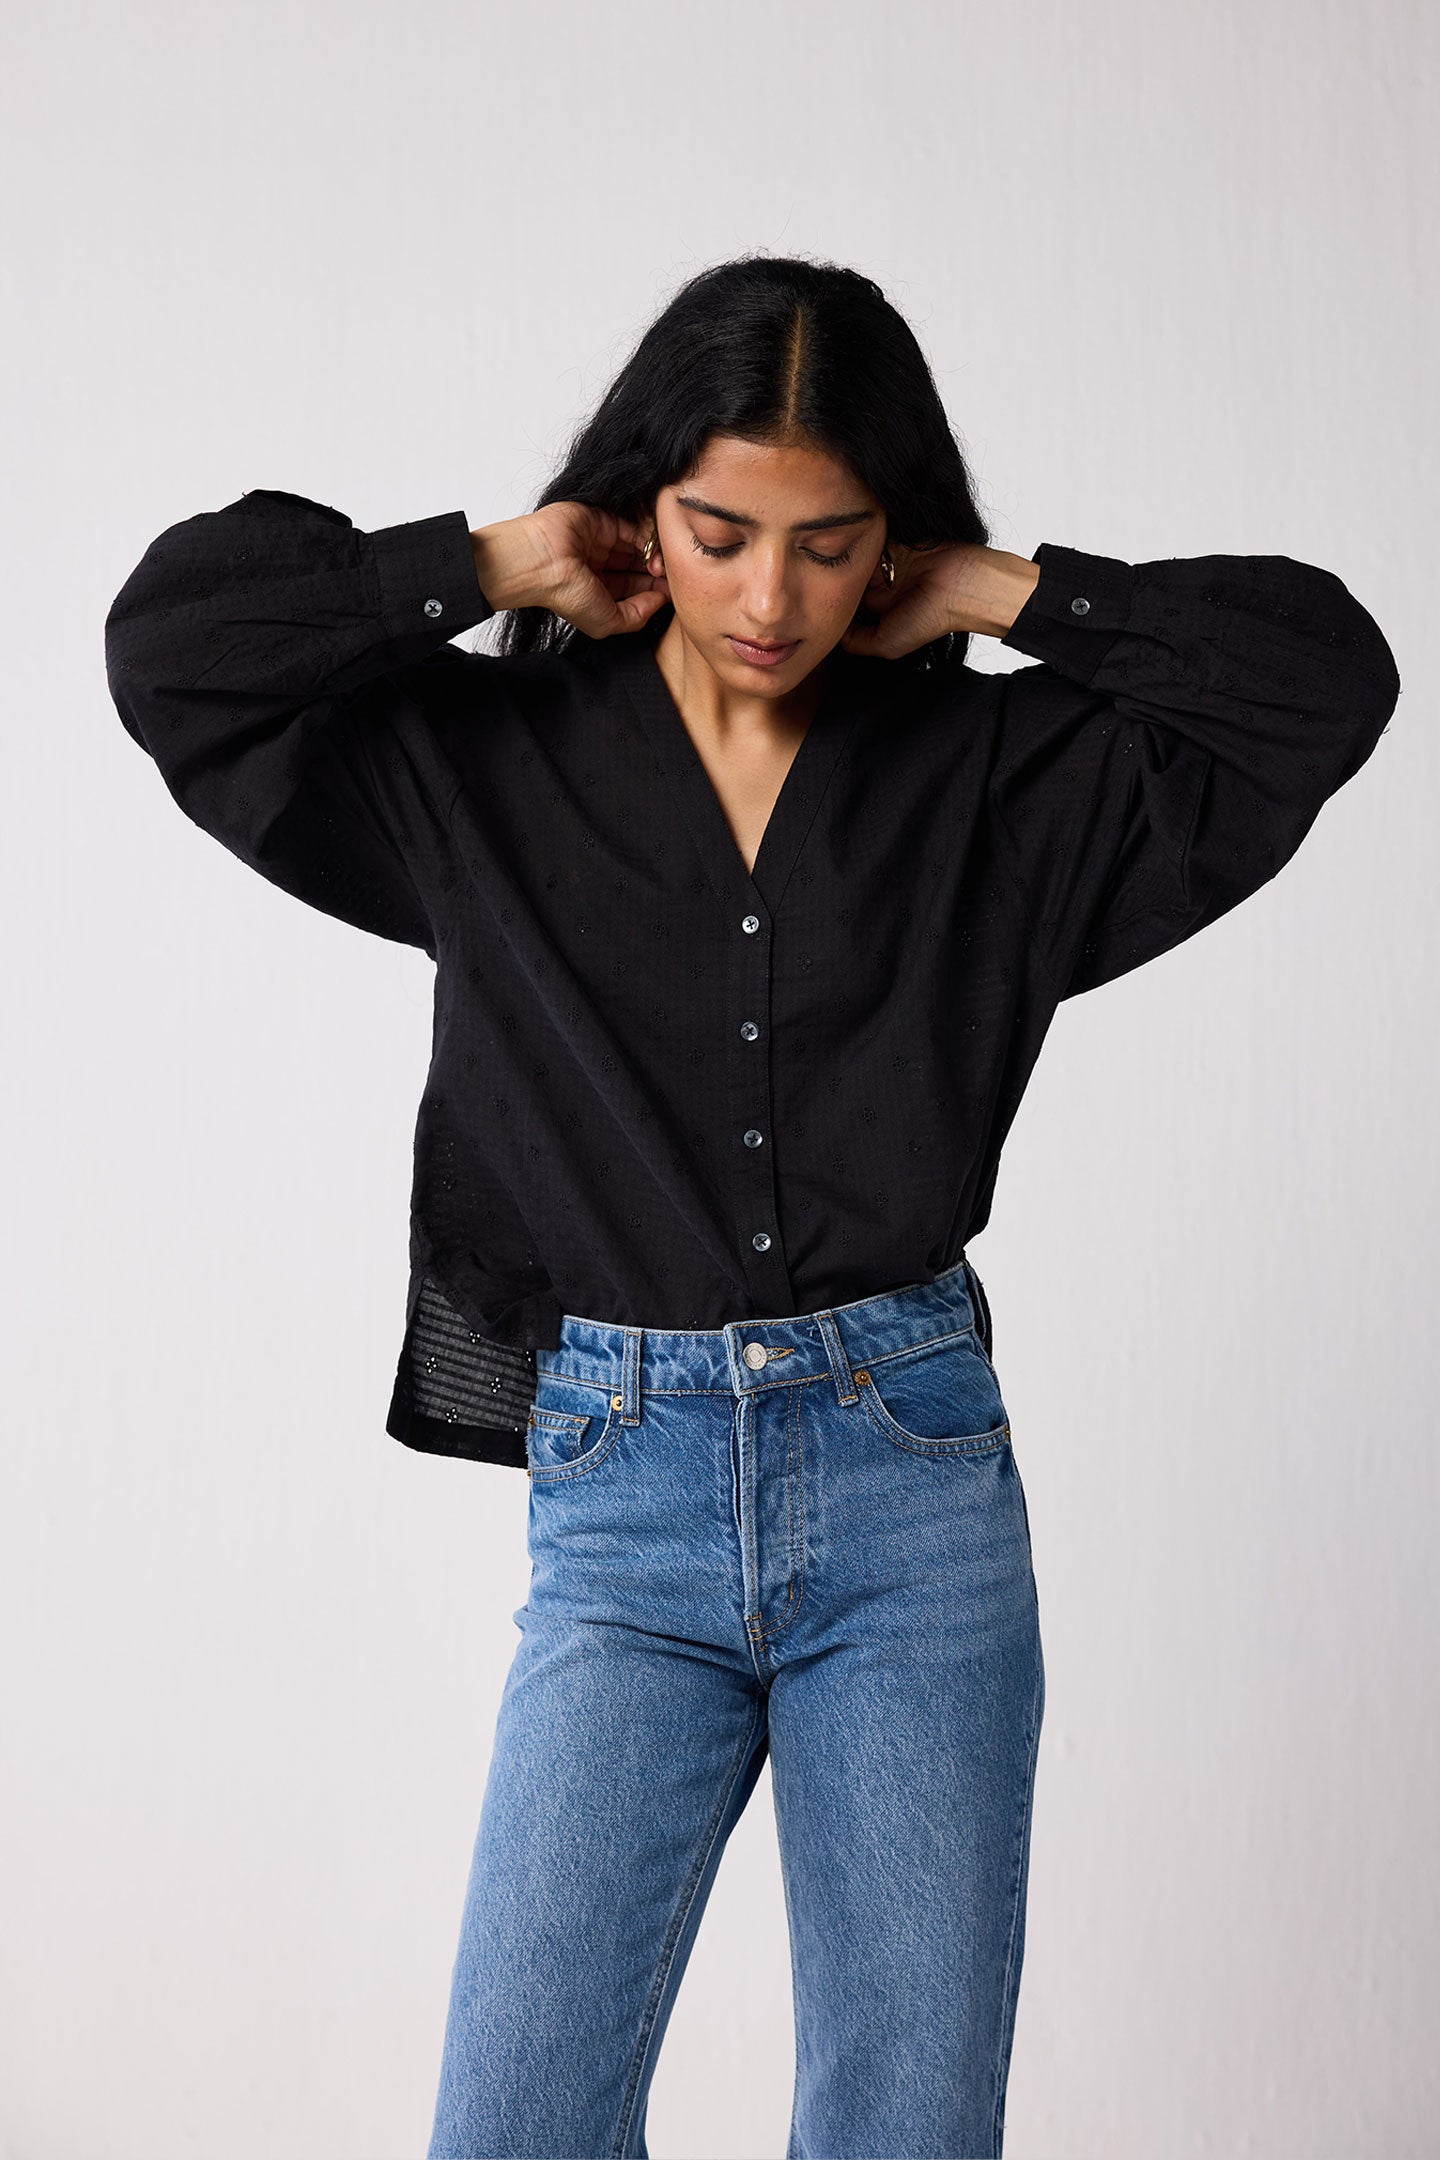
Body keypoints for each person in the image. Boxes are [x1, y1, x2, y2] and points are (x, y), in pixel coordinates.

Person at [103, 253, 1400, 2160]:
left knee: (907, 2121)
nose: (772, 597)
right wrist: (484, 566)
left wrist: (995, 591)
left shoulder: (999, 783)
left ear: (892, 540)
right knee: (516, 2122)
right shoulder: (476, 766)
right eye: (721, 533)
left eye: (831, 541)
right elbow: (176, 646)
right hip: (621, 1498)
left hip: (913, 1484)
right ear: (645, 510)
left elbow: (1322, 678)